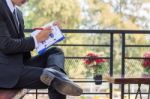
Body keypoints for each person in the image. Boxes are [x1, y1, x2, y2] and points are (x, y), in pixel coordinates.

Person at [0, 0, 83, 99]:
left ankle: (54, 74)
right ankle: (57, 77)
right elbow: (6, 45)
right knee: (56, 80)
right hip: (6, 72)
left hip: (21, 64)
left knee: (56, 52)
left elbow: (20, 42)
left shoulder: (18, 13)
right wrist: (36, 39)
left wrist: (46, 35)